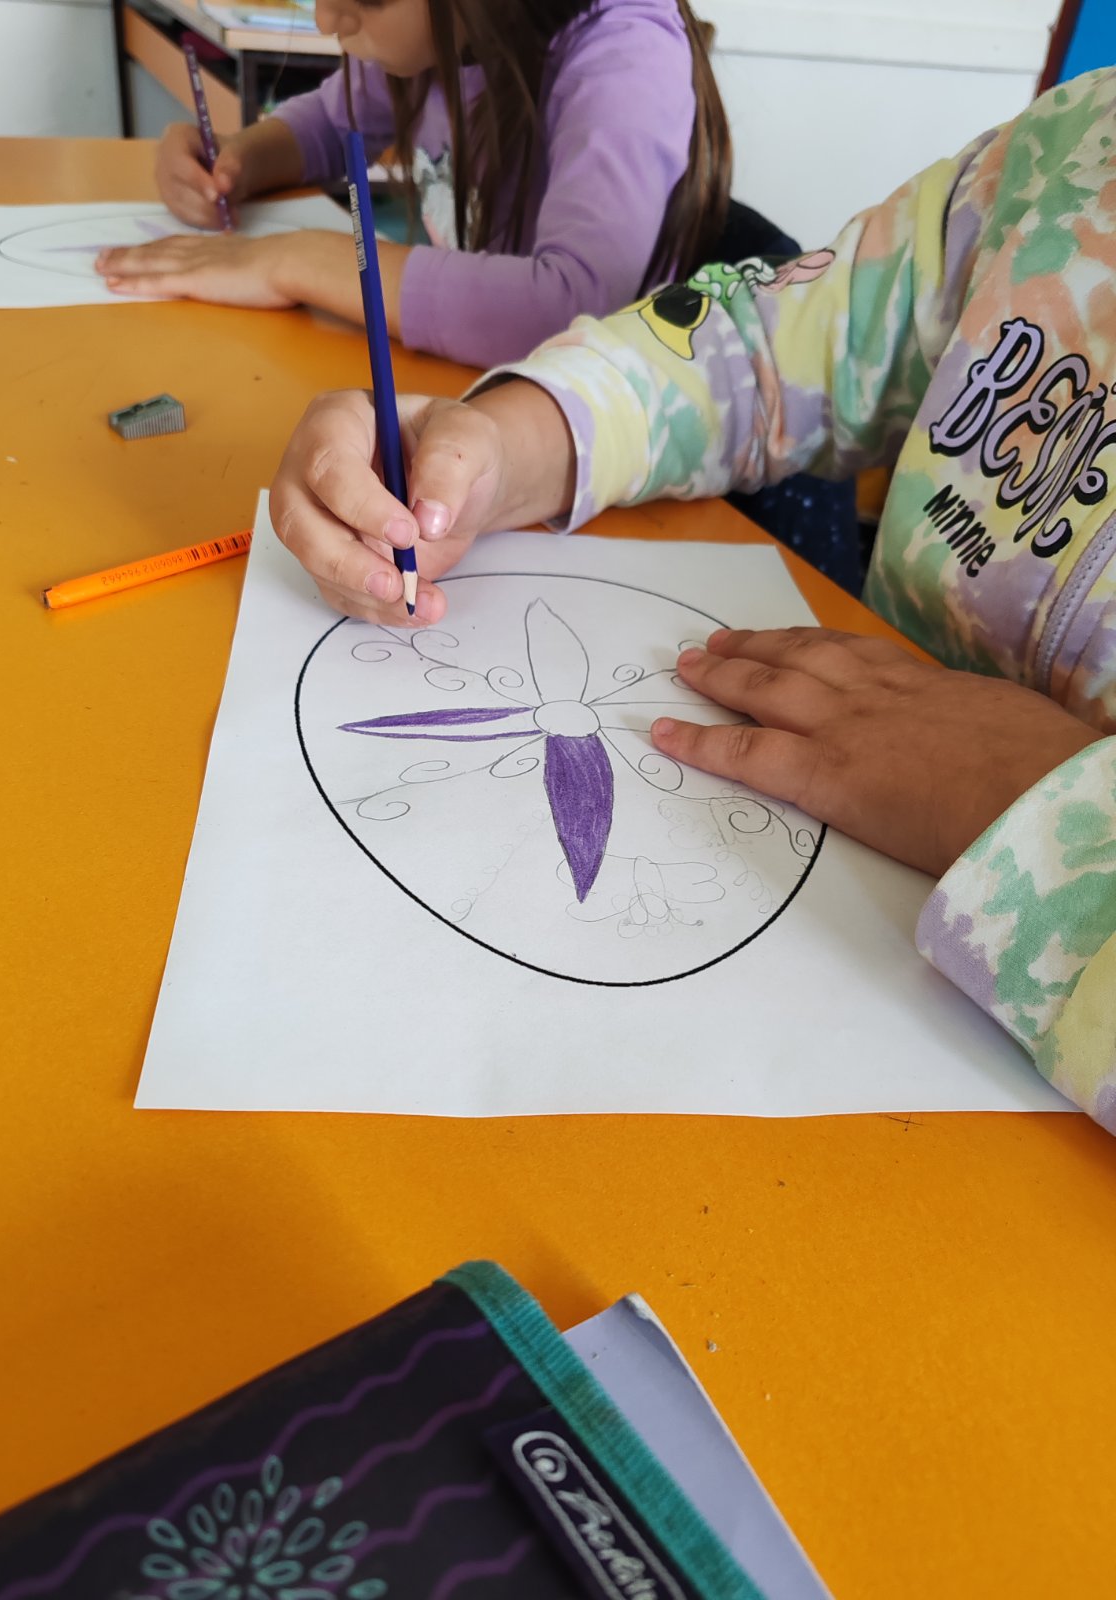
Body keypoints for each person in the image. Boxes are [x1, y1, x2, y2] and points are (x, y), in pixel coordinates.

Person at [267, 68, 1116, 1132]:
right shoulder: (1074, 144)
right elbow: (763, 352)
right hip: (839, 889)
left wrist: (1045, 804)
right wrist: (510, 443)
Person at [96, 0, 732, 371]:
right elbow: (328, 123)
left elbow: (571, 308)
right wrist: (237, 161)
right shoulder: (452, 32)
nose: (326, 19)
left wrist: (297, 261)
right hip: (464, 390)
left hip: (593, 443)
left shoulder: (625, 57)